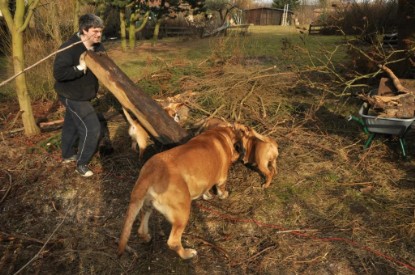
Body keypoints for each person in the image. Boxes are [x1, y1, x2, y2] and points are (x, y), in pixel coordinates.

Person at [53, 14, 110, 177]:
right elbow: (59, 73)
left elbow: (104, 64)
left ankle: (67, 155)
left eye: (100, 31)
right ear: (84, 30)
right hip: (70, 94)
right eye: (95, 31)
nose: (99, 34)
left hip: (85, 93)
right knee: (92, 128)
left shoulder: (98, 46)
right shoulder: (69, 48)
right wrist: (79, 68)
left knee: (71, 124)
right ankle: (82, 163)